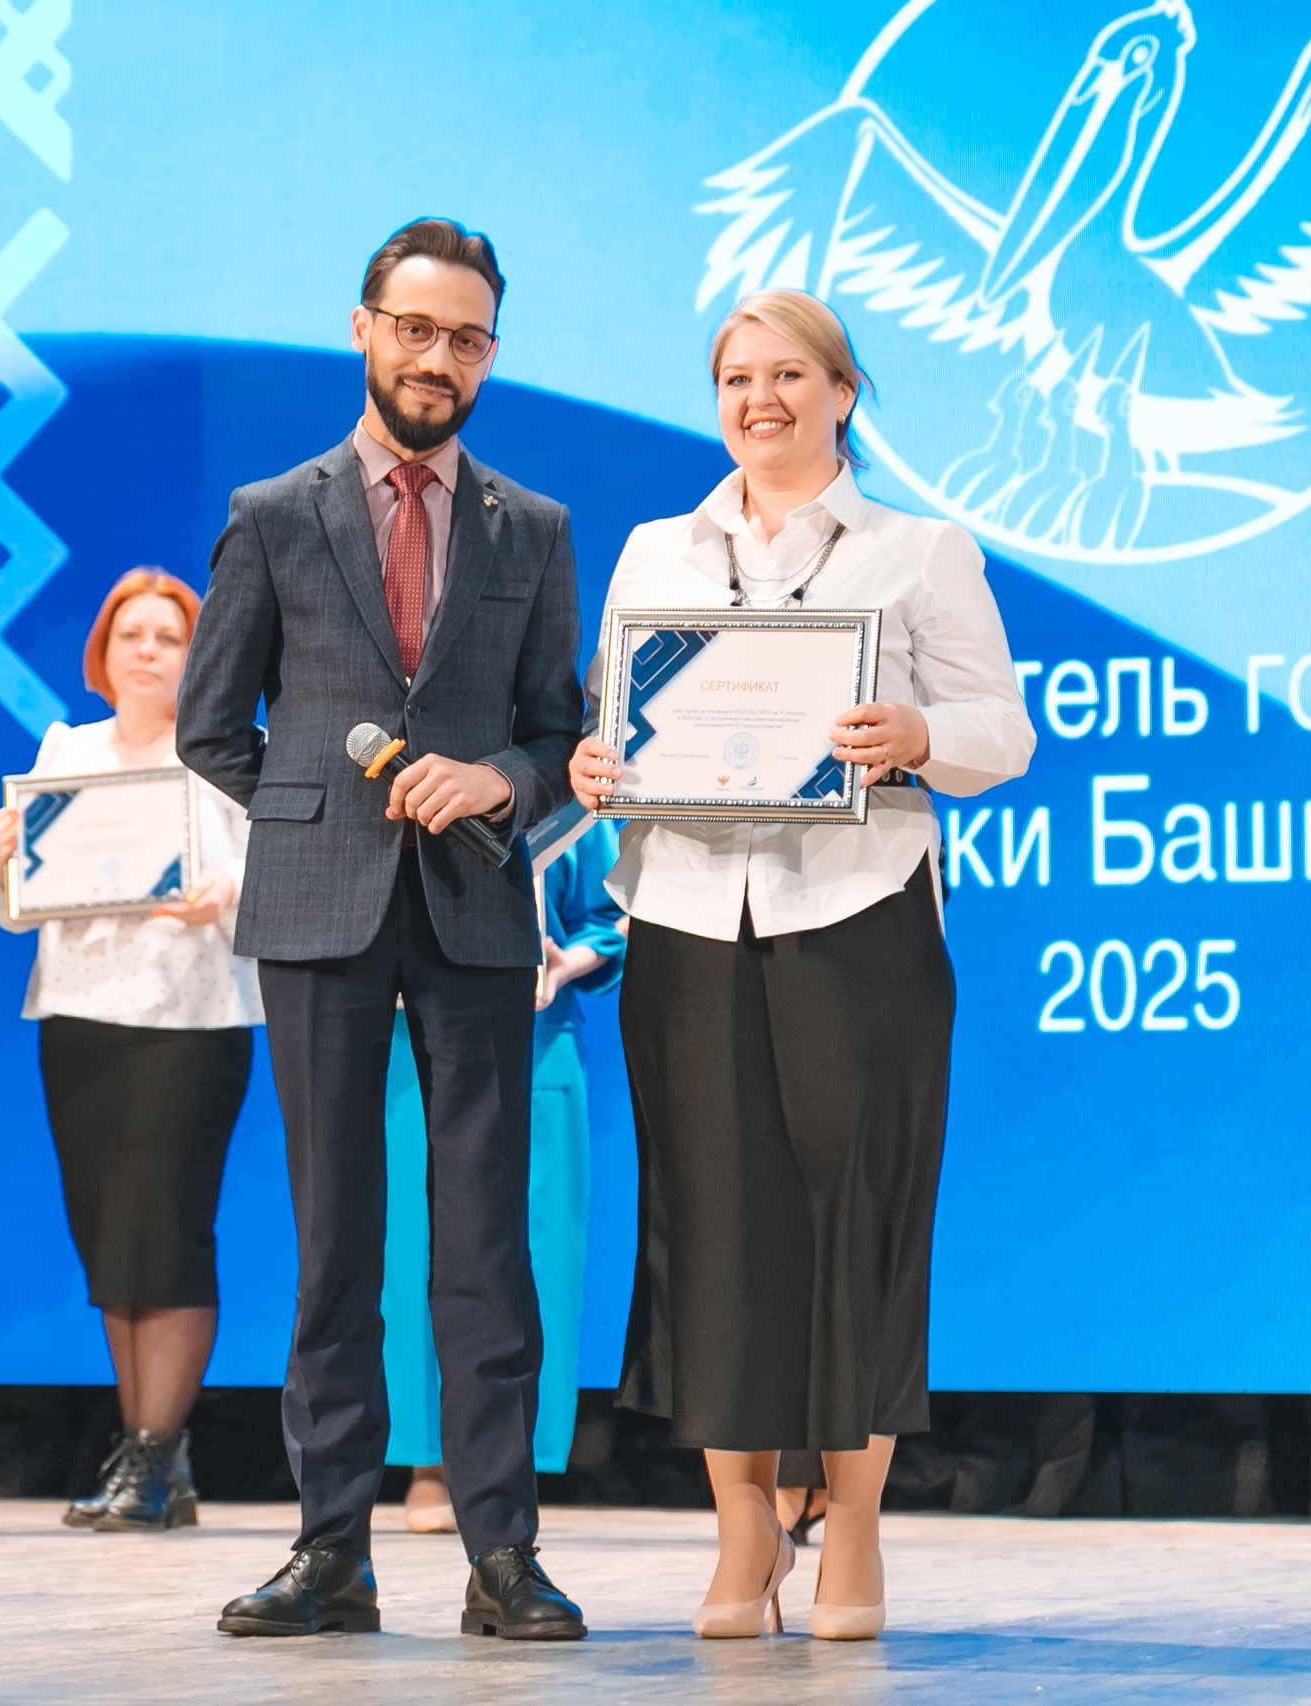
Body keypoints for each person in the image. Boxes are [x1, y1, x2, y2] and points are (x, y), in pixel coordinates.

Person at [570, 289, 1035, 1639]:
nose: (759, 399)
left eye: (787, 374)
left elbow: (1001, 732)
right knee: (710, 1228)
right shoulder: (656, 550)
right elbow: (617, 724)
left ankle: (856, 1530)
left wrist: (917, 734)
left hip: (860, 917)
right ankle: (743, 1532)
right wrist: (597, 763)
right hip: (686, 919)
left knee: (858, 1224)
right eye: (736, 377)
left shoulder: (918, 551)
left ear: (843, 392)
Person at [179, 217, 587, 1640]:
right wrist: (313, 821)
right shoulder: (274, 511)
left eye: (465, 338)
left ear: (490, 354)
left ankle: (502, 1552)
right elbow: (211, 726)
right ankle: (330, 1547)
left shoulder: (533, 527)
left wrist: (499, 782)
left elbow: (559, 734)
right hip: (319, 915)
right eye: (415, 330)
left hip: (476, 911)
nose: (437, 358)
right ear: (364, 329)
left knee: (485, 1247)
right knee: (335, 1243)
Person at [0, 569, 261, 1533]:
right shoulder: (69, 749)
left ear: (199, 656)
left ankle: (151, 1453)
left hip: (189, 1021)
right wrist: (3, 854)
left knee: (166, 1234)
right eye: (130, 634)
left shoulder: (230, 754)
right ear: (103, 652)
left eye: (167, 638)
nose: (147, 651)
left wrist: (226, 893)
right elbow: (10, 908)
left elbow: (281, 875)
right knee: (110, 1242)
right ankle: (155, 1461)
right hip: (79, 1015)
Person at [385, 820, 624, 1530]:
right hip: (408, 1040)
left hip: (539, 1041)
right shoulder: (409, 783)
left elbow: (611, 913)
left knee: (539, 1255)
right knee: (413, 1249)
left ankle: (510, 1461)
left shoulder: (569, 811)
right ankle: (428, 1463)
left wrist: (567, 962)